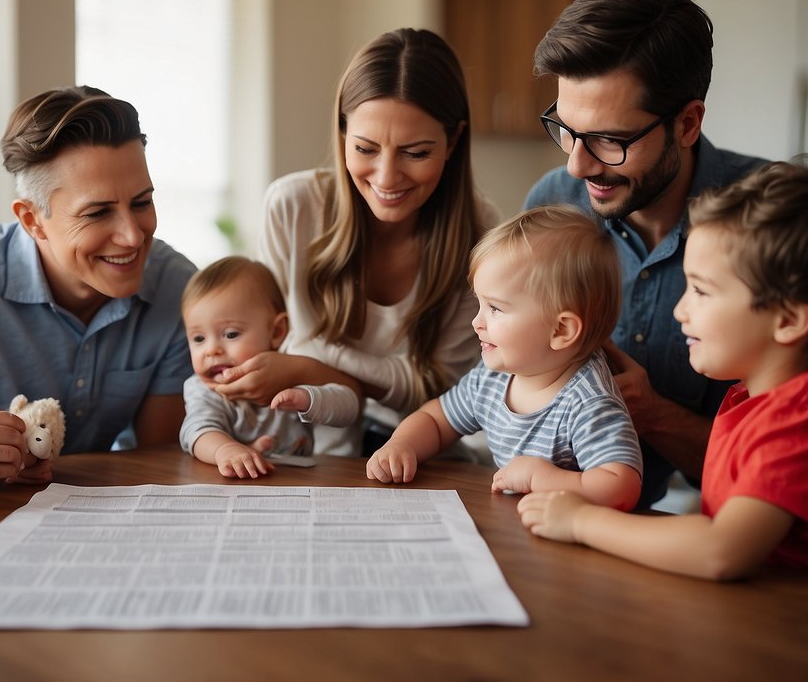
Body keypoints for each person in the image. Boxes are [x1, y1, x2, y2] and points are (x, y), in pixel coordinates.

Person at [519, 160, 808, 586]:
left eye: (700, 290)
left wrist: (582, 522)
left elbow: (721, 550)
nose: (680, 310)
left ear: (788, 320)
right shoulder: (754, 399)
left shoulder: (804, 416)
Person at [523, 0, 767, 508]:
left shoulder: (770, 220)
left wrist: (650, 411)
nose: (576, 165)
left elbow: (776, 466)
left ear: (687, 122)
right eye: (565, 129)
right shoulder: (553, 204)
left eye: (610, 139)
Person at [0, 86, 196, 488]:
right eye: (98, 212)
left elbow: (159, 463)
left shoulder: (178, 289)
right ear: (32, 221)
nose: (133, 237)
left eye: (141, 202)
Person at [212, 28, 499, 456]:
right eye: (365, 148)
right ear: (343, 131)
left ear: (453, 140)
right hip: (299, 440)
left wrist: (312, 364)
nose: (385, 178)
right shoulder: (292, 207)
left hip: (414, 454)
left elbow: (439, 390)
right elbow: (266, 347)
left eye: (416, 153)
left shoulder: (480, 231)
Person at [366, 205, 643, 509]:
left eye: (495, 308)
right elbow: (437, 419)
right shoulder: (495, 377)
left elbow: (622, 485)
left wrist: (542, 479)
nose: (477, 322)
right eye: (480, 304)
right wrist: (402, 445)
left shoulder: (588, 401)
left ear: (561, 330)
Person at [178, 256, 359, 478]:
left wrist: (308, 397)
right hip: (237, 486)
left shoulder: (286, 373)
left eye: (231, 334)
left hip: (299, 483)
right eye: (198, 339)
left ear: (276, 332)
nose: (211, 350)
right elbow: (196, 431)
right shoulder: (204, 389)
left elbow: (349, 407)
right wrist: (226, 450)